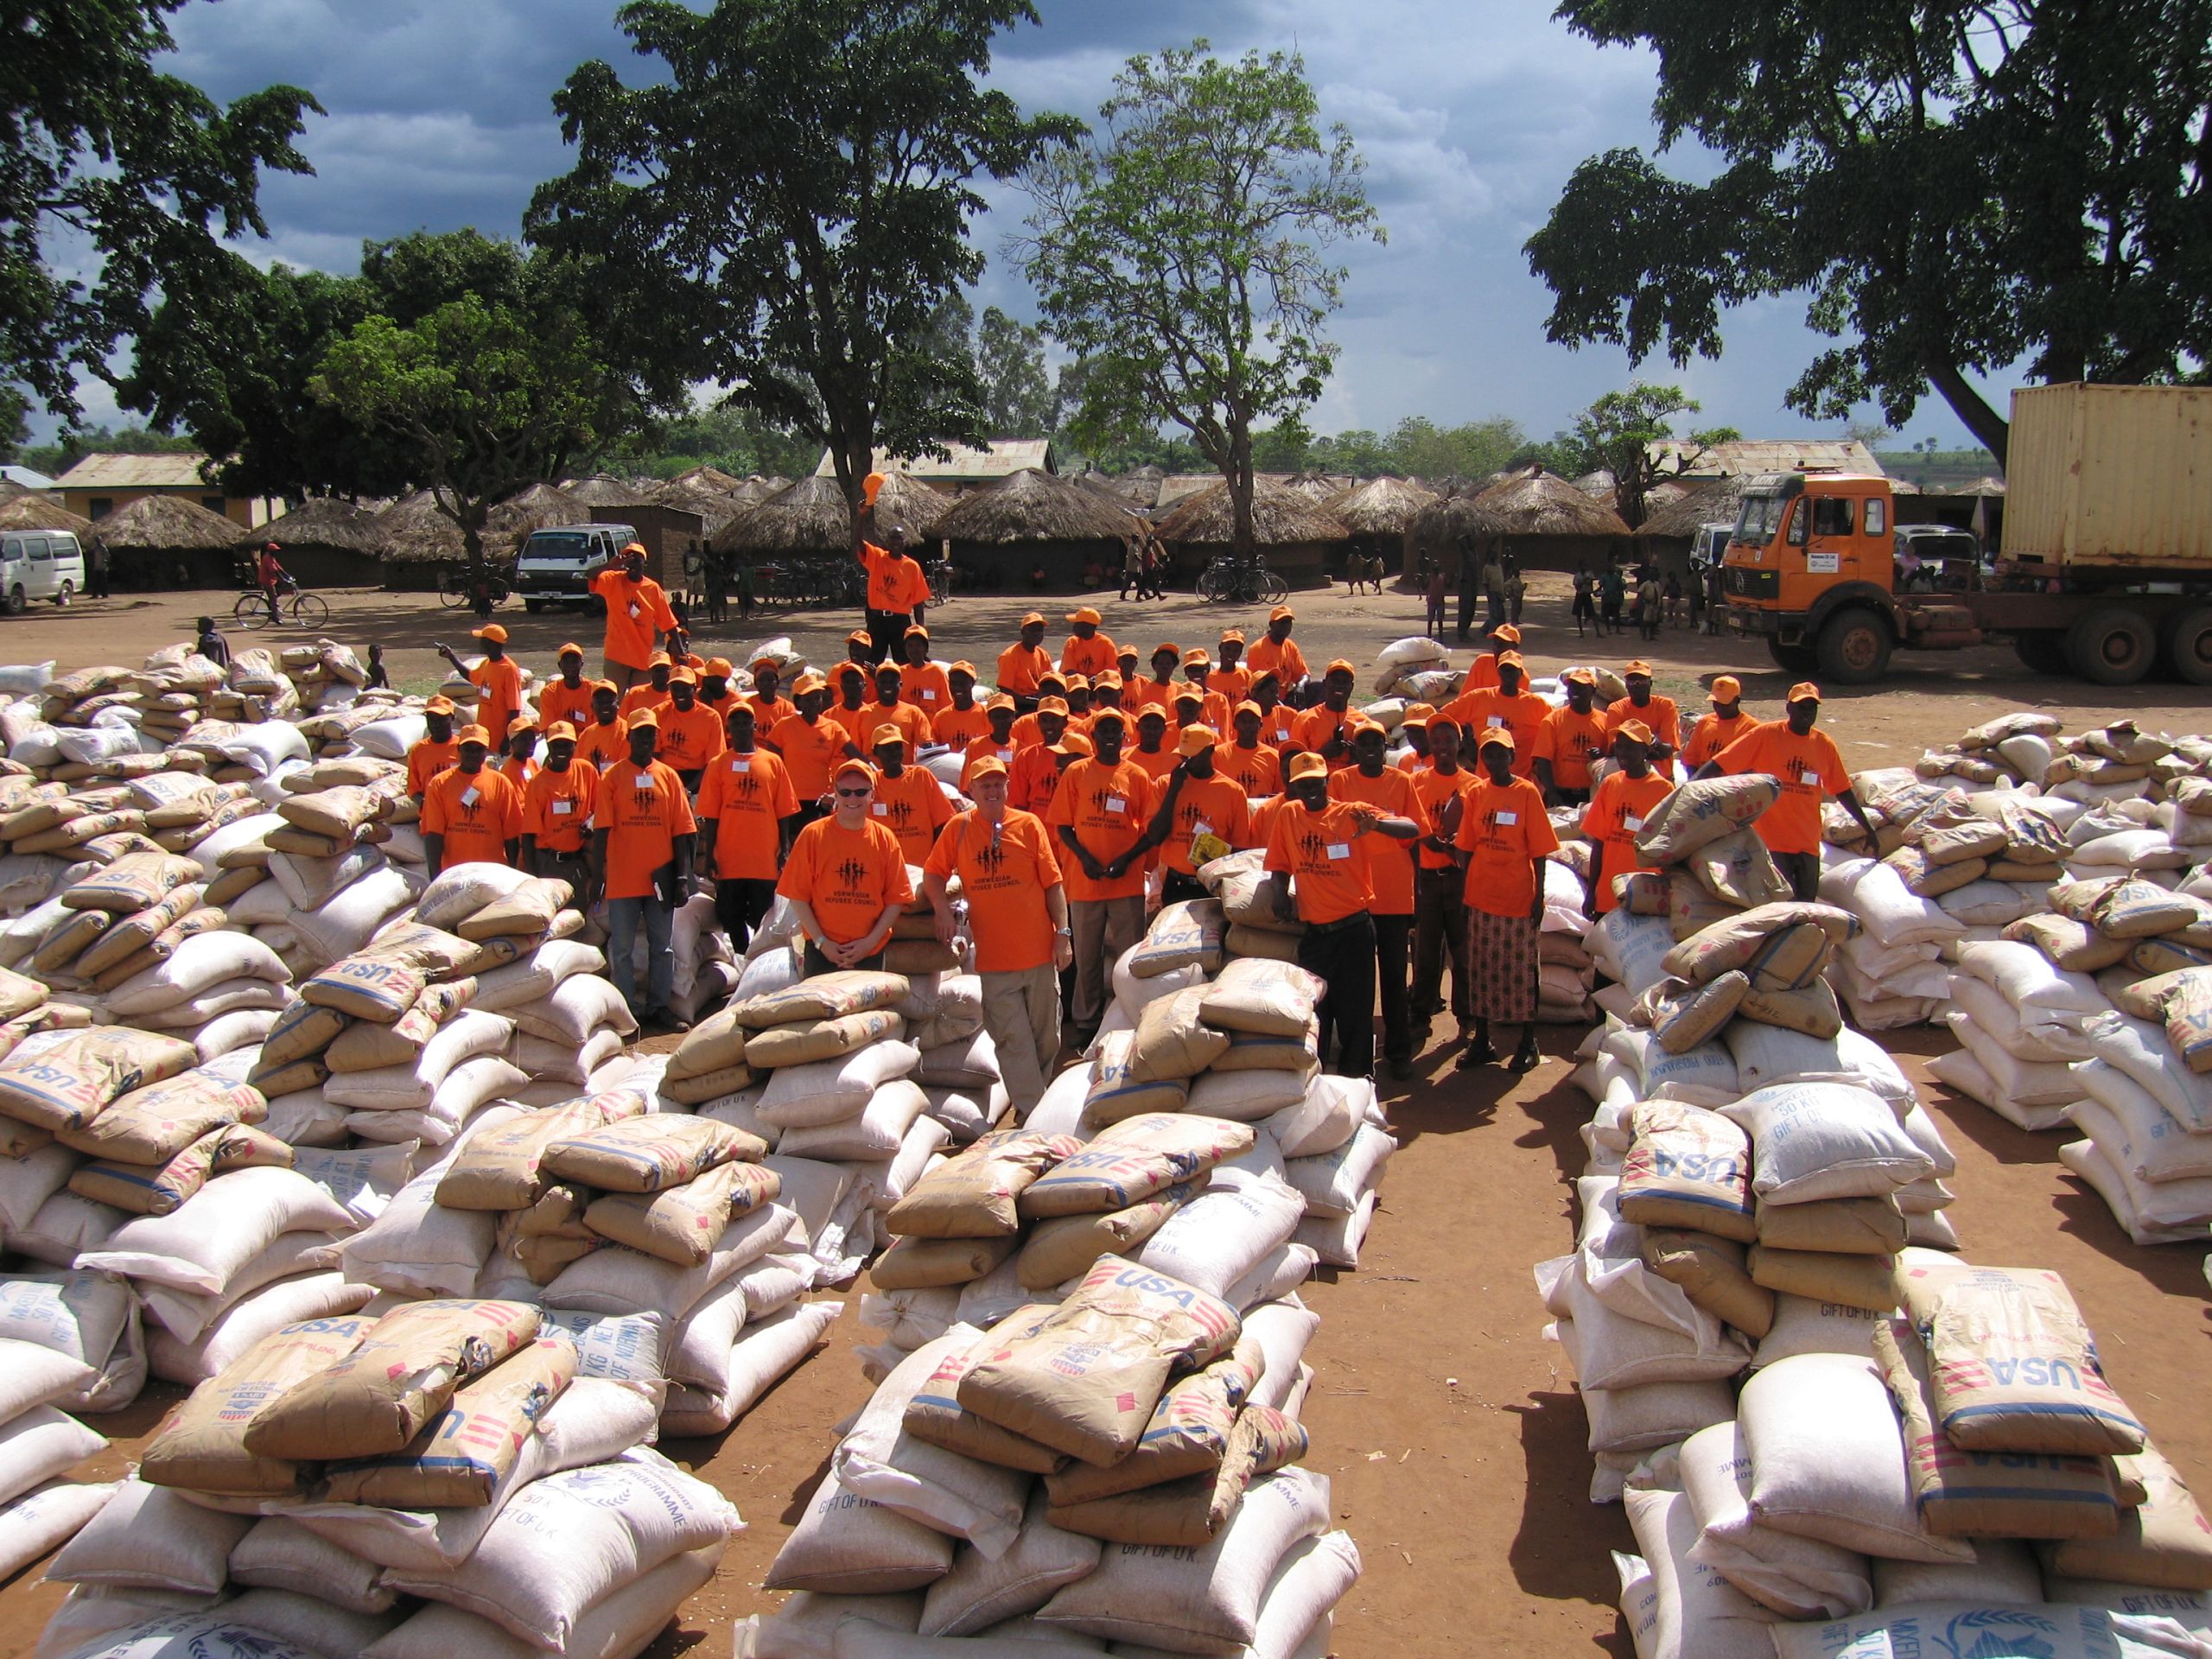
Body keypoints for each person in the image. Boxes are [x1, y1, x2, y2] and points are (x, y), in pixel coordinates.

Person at [924, 754, 1072, 1110]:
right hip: (995, 961)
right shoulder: (958, 829)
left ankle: (1035, 1102)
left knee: (1046, 1039)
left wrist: (1063, 934)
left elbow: (1053, 885)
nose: (992, 790)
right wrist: (942, 910)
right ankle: (1034, 1113)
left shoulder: (1029, 824)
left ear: (1007, 788)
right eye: (985, 785)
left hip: (1039, 955)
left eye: (998, 784)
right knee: (1012, 1039)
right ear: (971, 790)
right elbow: (932, 874)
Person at [1262, 753, 1421, 1079]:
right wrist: (1279, 890)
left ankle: (1356, 1085)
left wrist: (1376, 824)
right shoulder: (1289, 815)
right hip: (1316, 936)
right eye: (1303, 785)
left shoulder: (1352, 813)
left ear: (1327, 781)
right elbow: (1279, 863)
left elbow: (1411, 828)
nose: (1310, 790)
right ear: (1293, 787)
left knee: (1355, 1017)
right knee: (1315, 1015)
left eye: (1315, 783)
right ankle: (1314, 1084)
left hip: (1353, 932)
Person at [1698, 682, 1877, 901]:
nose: (1807, 712)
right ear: (1788, 708)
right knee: (1778, 907)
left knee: (1806, 905)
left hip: (1807, 843)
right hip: (1770, 842)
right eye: (1801, 707)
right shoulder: (1766, 734)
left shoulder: (1823, 745)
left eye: (1812, 707)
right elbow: (1720, 762)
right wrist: (1689, 790)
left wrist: (1868, 828)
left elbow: (1842, 790)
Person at [1449, 729, 1558, 1072]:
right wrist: (1466, 892)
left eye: (1502, 754)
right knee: (1481, 970)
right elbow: (1467, 847)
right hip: (1482, 896)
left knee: (1521, 973)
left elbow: (1539, 851)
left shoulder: (1526, 793)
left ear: (1512, 757)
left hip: (1517, 897)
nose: (1495, 760)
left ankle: (1528, 1043)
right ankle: (1483, 1041)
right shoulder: (1477, 793)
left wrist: (1538, 896)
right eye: (1489, 754)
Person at [1330, 721, 1430, 1080]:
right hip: (1354, 895)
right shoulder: (1340, 781)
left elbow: (1414, 835)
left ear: (1385, 747)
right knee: (1357, 981)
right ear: (1355, 749)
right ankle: (1358, 1057)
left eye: (1377, 742)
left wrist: (1417, 889)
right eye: (1364, 743)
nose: (1371, 748)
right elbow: (1331, 831)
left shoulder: (1401, 781)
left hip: (1394, 895)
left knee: (1393, 978)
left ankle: (1398, 1052)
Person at [1045, 708, 1151, 1044]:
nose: (1109, 736)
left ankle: (1129, 1016)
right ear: (1092, 737)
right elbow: (1063, 825)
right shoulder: (1076, 773)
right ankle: (1087, 1022)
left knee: (1129, 959)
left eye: (1115, 730)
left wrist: (1127, 860)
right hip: (1085, 881)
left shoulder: (1137, 776)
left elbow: (1149, 830)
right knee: (1087, 958)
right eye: (1103, 730)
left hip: (1126, 882)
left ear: (1124, 736)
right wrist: (1086, 859)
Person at [590, 713, 696, 1027]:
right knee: (622, 948)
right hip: (623, 878)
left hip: (660, 879)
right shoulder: (613, 777)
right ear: (629, 738)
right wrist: (598, 875)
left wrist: (681, 877)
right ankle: (627, 1010)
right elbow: (601, 830)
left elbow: (682, 831)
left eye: (651, 734)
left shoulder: (668, 776)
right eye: (640, 734)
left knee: (662, 946)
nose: (646, 740)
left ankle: (659, 1006)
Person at [778, 758, 912, 973]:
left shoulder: (885, 839)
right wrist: (822, 943)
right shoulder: (813, 835)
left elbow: (896, 899)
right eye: (845, 792)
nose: (852, 798)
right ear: (835, 794)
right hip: (822, 952)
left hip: (870, 952)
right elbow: (797, 896)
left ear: (872, 795)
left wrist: (869, 943)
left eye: (860, 792)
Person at [696, 704, 798, 946]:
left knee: (764, 916)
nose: (741, 727)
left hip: (764, 859)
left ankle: (759, 958)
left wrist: (784, 848)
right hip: (730, 859)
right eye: (736, 723)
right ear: (728, 728)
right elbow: (711, 814)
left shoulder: (773, 762)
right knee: (731, 916)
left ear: (755, 726)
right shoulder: (718, 764)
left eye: (746, 722)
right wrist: (710, 854)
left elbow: (784, 809)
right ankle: (741, 956)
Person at [1409, 715, 1474, 1036]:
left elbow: (1476, 831)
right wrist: (1429, 841)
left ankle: (1467, 1019)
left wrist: (1458, 845)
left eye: (1449, 740)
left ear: (1459, 744)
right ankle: (1421, 1016)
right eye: (1436, 741)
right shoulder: (1416, 782)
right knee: (1426, 952)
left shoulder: (1473, 785)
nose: (1442, 747)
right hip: (1427, 878)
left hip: (1459, 877)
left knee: (1463, 953)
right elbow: (1411, 828)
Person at [1142, 727, 1251, 905]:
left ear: (1210, 751)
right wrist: (1173, 790)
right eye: (1183, 756)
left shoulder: (1232, 791)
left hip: (1213, 884)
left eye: (1192, 756)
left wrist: (1213, 856)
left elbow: (1241, 849)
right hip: (1176, 884)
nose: (1186, 761)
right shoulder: (1165, 784)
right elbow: (1155, 836)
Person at [1581, 721, 1675, 917]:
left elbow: (1670, 847)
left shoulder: (1663, 790)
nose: (1623, 753)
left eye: (1630, 747)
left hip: (1644, 894)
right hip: (1608, 892)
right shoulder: (1610, 783)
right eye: (1620, 747)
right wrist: (1591, 892)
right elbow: (1599, 842)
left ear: (1645, 751)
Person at [420, 724, 523, 879]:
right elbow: (433, 834)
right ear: (458, 749)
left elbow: (512, 835)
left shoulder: (501, 783)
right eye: (468, 748)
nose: (473, 754)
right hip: (454, 873)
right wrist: (435, 876)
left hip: (492, 874)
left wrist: (513, 873)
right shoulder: (439, 784)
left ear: (486, 751)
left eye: (478, 749)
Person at [764, 674, 857, 827]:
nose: (814, 702)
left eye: (817, 697)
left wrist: (875, 774)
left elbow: (855, 756)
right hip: (790, 800)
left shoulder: (833, 727)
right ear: (798, 702)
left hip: (821, 801)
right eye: (808, 698)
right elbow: (771, 762)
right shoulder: (784, 726)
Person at [587, 543, 683, 690]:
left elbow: (668, 623)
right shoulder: (613, 580)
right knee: (614, 699)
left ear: (645, 563)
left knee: (640, 701)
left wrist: (681, 651)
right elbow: (589, 575)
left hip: (642, 659)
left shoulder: (653, 589)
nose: (632, 563)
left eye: (637, 559)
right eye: (628, 559)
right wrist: (609, 566)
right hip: (616, 657)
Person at [520, 721, 599, 896]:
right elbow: (528, 834)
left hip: (577, 860)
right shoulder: (538, 783)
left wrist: (591, 822)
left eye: (566, 745)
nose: (561, 750)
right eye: (556, 745)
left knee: (578, 909)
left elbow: (600, 807)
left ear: (575, 746)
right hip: (548, 861)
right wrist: (532, 875)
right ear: (549, 747)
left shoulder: (586, 771)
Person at [1442, 652, 1548, 777]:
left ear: (1520, 673)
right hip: (1485, 780)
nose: (1508, 674)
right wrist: (1466, 743)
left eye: (1512, 670)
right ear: (1498, 672)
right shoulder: (1479, 698)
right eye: (1504, 669)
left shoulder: (1535, 704)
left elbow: (1554, 727)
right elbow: (1443, 716)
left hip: (1522, 779)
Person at [868, 722, 954, 867]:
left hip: (922, 867)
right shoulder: (871, 783)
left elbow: (943, 821)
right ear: (875, 752)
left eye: (897, 747)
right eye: (887, 748)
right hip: (887, 868)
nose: (894, 753)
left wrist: (936, 861)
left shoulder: (921, 776)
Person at [432, 624, 522, 751]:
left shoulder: (509, 670)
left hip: (499, 740)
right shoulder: (487, 663)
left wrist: (507, 739)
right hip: (484, 736)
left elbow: (515, 709)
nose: (479, 643)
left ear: (491, 643)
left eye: (482, 640)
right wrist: (451, 657)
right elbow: (471, 676)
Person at [1532, 667, 1607, 808]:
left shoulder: (1605, 721)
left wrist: (1601, 756)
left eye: (1581, 687)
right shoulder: (1553, 720)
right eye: (1572, 687)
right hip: (1560, 794)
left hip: (1590, 795)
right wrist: (1551, 792)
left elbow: (1611, 759)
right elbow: (1543, 759)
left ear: (1593, 691)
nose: (1575, 691)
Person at [858, 522, 931, 664]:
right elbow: (858, 543)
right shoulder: (877, 558)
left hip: (900, 621)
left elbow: (918, 602)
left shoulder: (912, 566)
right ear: (887, 541)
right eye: (893, 538)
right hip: (877, 620)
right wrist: (861, 519)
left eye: (899, 538)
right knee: (871, 663)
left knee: (904, 663)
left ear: (904, 542)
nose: (896, 542)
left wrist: (920, 631)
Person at [1605, 660, 1681, 779]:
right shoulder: (1616, 708)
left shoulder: (1666, 706)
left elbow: (1667, 750)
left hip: (1662, 776)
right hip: (1627, 776)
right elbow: (1615, 748)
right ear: (1626, 685)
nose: (1637, 685)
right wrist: (1653, 746)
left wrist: (1638, 747)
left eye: (1642, 681)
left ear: (1650, 683)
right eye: (1632, 681)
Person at [654, 667, 724, 788]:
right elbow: (653, 756)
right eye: (675, 688)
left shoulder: (711, 717)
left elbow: (713, 763)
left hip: (696, 777)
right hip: (664, 774)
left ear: (695, 689)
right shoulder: (658, 712)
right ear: (669, 689)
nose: (680, 693)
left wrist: (689, 790)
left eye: (685, 688)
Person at [1291, 660, 1360, 769]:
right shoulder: (1305, 719)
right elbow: (1294, 763)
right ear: (1325, 684)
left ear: (1351, 686)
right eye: (1335, 680)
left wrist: (1357, 755)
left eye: (1345, 682)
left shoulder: (1362, 722)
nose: (1339, 685)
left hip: (1350, 779)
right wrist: (1322, 754)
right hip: (1315, 779)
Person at [1007, 697, 1071, 816]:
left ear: (1065, 722)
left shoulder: (1076, 754)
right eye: (1044, 720)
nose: (1049, 725)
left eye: (1054, 720)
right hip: (1035, 824)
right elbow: (1019, 803)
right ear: (1038, 722)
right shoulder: (1026, 756)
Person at [1681, 675, 1754, 772]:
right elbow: (1691, 759)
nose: (1719, 707)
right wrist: (1694, 779)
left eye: (1724, 703)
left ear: (1737, 700)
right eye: (1716, 702)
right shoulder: (1705, 722)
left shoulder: (1751, 728)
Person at [1214, 702, 1283, 798]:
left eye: (1252, 721)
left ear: (1261, 725)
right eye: (1243, 721)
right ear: (1234, 725)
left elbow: (1279, 794)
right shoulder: (1218, 755)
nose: (1247, 725)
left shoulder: (1274, 758)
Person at [867, 662, 932, 762]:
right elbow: (856, 750)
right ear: (876, 685)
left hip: (904, 771)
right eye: (883, 682)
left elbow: (926, 747)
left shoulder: (913, 713)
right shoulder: (863, 713)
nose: (887, 685)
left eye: (892, 682)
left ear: (901, 685)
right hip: (870, 772)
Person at [1246, 607, 1310, 705]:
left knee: (1318, 687)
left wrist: (1300, 685)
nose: (1286, 626)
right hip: (1267, 699)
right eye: (1282, 622)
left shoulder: (1290, 646)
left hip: (1287, 697)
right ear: (1271, 625)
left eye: (1288, 622)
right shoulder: (1258, 648)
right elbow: (1260, 686)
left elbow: (1304, 674)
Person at [960, 696, 1021, 792]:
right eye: (997, 717)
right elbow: (967, 786)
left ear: (1013, 718)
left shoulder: (1021, 748)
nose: (1001, 721)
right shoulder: (976, 746)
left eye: (1006, 716)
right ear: (989, 718)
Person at [406, 696, 462, 800]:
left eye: (441, 719)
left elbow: (477, 781)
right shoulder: (418, 750)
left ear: (452, 718)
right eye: (431, 719)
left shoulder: (464, 747)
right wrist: (425, 803)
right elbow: (412, 788)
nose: (436, 724)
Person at [998, 613, 1052, 711]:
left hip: (1039, 701)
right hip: (1019, 705)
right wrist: (1032, 702)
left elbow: (1050, 682)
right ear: (1023, 632)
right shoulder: (1009, 656)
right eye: (1033, 630)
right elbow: (1005, 691)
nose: (1037, 634)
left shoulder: (1043, 655)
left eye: (1040, 630)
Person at [931, 663, 990, 749]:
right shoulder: (941, 718)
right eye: (953, 683)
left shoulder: (986, 715)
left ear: (972, 683)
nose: (957, 687)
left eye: (962, 683)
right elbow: (935, 749)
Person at [539, 644, 596, 733]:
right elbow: (548, 729)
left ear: (581, 664)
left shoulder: (594, 690)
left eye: (574, 661)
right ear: (559, 665)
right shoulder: (549, 692)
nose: (570, 665)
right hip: (561, 739)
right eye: (566, 661)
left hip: (589, 738)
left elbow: (599, 727)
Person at [896, 628, 952, 720]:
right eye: (910, 646)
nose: (914, 650)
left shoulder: (937, 672)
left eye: (918, 645)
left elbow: (946, 705)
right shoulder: (899, 673)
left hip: (931, 725)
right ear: (905, 649)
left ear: (926, 648)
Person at [575, 683, 630, 771]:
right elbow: (578, 768)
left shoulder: (627, 732)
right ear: (592, 706)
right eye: (600, 702)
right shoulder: (586, 734)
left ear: (618, 704)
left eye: (609, 702)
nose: (605, 706)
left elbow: (624, 771)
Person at [1459, 621, 1521, 695]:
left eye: (1503, 644)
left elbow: (1518, 700)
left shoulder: (1520, 675)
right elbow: (1465, 694)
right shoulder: (1482, 662)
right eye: (1495, 643)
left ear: (1515, 647)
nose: (1497, 647)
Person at [1059, 607, 1118, 680]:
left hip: (1100, 684)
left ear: (1088, 627)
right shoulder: (1072, 642)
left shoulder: (1106, 643)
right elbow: (1068, 670)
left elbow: (1112, 671)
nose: (1074, 626)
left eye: (1077, 623)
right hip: (1076, 683)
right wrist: (1084, 681)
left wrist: (1097, 679)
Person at [1127, 707, 1179, 785]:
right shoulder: (1123, 757)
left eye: (1156, 727)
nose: (1152, 732)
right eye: (1147, 726)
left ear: (1164, 728)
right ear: (1137, 727)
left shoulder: (1175, 765)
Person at [620, 655, 675, 721]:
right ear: (649, 671)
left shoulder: (676, 696)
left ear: (671, 670)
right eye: (657, 670)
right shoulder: (635, 693)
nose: (661, 673)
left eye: (664, 669)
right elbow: (622, 719)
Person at [743, 658, 793, 729]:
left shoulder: (787, 708)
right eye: (761, 680)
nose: (766, 683)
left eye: (770, 680)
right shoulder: (746, 705)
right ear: (756, 684)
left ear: (777, 683)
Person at [1134, 643, 1180, 712]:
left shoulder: (1179, 689)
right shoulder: (1147, 692)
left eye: (1168, 663)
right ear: (1154, 666)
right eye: (1161, 663)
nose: (1165, 667)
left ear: (1174, 666)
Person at [1454, 533, 1484, 642]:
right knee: (1465, 609)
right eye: (1472, 541)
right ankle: (1462, 633)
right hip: (1466, 584)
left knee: (1471, 610)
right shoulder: (1466, 553)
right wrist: (1465, 535)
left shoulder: (1474, 553)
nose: (1474, 542)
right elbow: (1459, 540)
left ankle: (1465, 632)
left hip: (1473, 584)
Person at [498, 715, 540, 789]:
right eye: (524, 739)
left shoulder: (533, 763)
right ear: (513, 742)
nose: (530, 742)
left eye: (532, 738)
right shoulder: (509, 772)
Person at [257, 542, 289, 622]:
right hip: (267, 580)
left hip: (271, 580)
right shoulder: (267, 558)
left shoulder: (271, 557)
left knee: (278, 592)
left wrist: (287, 575)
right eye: (275, 550)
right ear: (270, 550)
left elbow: (279, 568)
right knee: (273, 597)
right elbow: (274, 570)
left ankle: (272, 606)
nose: (276, 552)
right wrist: (282, 578)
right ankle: (275, 617)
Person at [1423, 557, 1447, 640]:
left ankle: (1441, 637)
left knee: (1440, 620)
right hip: (1432, 601)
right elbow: (1424, 586)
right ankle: (1429, 636)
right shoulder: (1430, 577)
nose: (1436, 571)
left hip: (1440, 601)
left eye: (1437, 569)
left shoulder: (1442, 577)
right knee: (1430, 620)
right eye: (1434, 569)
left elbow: (1448, 586)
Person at [1599, 563, 1626, 635]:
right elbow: (1600, 586)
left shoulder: (1616, 577)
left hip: (1615, 597)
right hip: (1607, 597)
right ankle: (1608, 629)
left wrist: (1619, 593)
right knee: (1607, 614)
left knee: (1617, 614)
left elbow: (1620, 587)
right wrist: (1597, 592)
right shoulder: (1604, 577)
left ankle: (1617, 629)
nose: (1611, 569)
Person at [1571, 563, 1596, 637]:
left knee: (1592, 613)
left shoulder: (1589, 574)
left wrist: (1591, 590)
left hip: (1587, 594)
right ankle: (1581, 632)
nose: (1584, 567)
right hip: (1580, 595)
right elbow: (1577, 588)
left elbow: (1591, 583)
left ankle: (1597, 632)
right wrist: (1584, 582)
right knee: (1578, 614)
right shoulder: (1577, 576)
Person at [1119, 535, 1144, 601]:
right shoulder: (1131, 546)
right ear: (1134, 539)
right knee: (1128, 583)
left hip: (1136, 567)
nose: (1138, 540)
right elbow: (1135, 556)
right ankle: (1122, 595)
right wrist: (1142, 561)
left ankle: (1141, 595)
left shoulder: (1136, 546)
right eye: (1137, 538)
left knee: (1139, 582)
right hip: (1131, 568)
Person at [86, 533, 110, 601]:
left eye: (98, 540)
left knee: (103, 582)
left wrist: (105, 562)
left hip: (102, 567)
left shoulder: (103, 548)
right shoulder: (95, 548)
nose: (97, 542)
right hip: (96, 567)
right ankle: (95, 594)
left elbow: (107, 556)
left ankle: (105, 594)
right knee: (96, 582)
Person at [1504, 557, 1526, 625]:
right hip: (1515, 596)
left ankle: (1516, 619)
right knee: (1515, 609)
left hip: (1519, 596)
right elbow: (1506, 585)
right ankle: (1514, 620)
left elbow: (1519, 588)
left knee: (1519, 609)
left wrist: (1524, 587)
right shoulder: (1512, 580)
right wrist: (1509, 593)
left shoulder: (1518, 580)